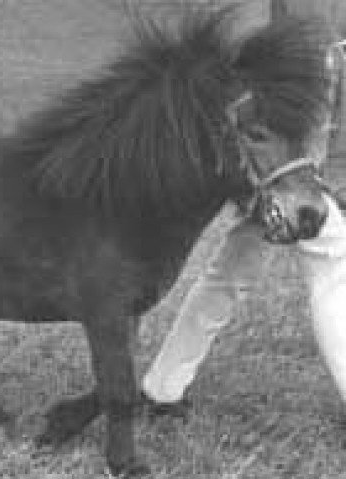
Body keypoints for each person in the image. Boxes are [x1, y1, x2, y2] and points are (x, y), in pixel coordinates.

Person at [141, 40, 345, 407]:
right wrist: (315, 186)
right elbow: (308, 132)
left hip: (286, 181)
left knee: (226, 277)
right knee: (333, 269)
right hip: (295, 186)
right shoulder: (326, 59)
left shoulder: (326, 56)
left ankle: (162, 388)